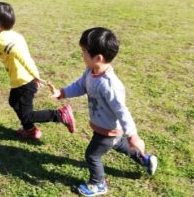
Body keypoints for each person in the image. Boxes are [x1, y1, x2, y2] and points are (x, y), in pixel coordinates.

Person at [48, 27, 158, 196]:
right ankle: (144, 159)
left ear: (98, 58)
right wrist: (62, 93)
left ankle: (98, 184)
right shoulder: (91, 72)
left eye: (84, 51)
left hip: (107, 131)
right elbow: (80, 86)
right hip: (107, 130)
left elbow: (123, 112)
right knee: (121, 145)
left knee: (92, 156)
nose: (82, 54)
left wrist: (133, 136)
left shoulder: (110, 85)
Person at [0, 2, 75, 139]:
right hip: (22, 80)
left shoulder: (2, 39)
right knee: (14, 102)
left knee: (27, 114)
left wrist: (35, 75)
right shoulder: (15, 35)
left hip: (24, 82)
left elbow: (23, 57)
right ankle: (30, 129)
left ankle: (60, 115)